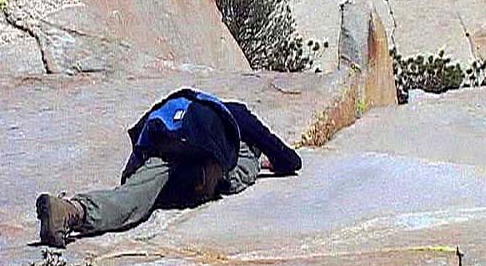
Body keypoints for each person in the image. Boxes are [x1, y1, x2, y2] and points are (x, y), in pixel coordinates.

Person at [36, 88, 302, 248]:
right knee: (243, 166)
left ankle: (72, 210)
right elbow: (291, 161)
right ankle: (242, 165)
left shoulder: (187, 104)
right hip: (196, 174)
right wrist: (259, 157)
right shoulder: (239, 117)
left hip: (159, 153)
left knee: (131, 200)